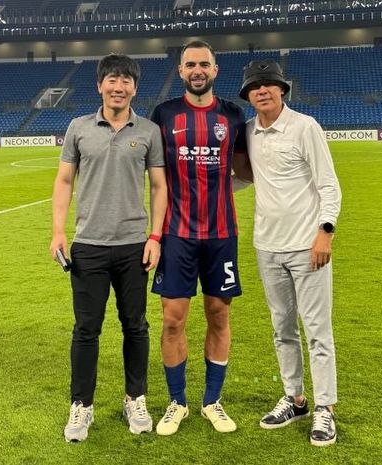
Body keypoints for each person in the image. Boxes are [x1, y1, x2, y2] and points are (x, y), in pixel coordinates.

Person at [50, 53, 167, 442]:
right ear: (100, 85)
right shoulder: (79, 128)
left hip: (135, 245)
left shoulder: (149, 131)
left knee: (135, 327)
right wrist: (58, 232)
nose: (119, 87)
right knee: (86, 330)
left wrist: (155, 237)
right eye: (112, 80)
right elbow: (65, 181)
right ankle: (81, 406)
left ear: (135, 87)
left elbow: (159, 187)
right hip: (89, 246)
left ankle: (135, 398)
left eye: (126, 81)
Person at [235, 59, 342, 446]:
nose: (262, 91)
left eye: (269, 84)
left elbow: (329, 185)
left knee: (317, 330)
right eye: (255, 87)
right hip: (267, 246)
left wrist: (325, 233)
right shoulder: (248, 132)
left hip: (307, 245)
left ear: (282, 90)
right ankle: (295, 399)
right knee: (282, 329)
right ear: (248, 96)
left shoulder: (305, 127)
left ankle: (325, 409)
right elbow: (246, 179)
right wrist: (201, 185)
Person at [149, 40, 247, 436]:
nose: (197, 70)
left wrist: (218, 189)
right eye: (190, 64)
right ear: (181, 70)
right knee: (173, 319)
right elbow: (154, 173)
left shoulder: (234, 116)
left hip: (222, 233)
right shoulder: (164, 114)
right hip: (176, 235)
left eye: (204, 63)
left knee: (218, 315)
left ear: (215, 70)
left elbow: (247, 170)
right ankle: (178, 403)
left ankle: (212, 401)